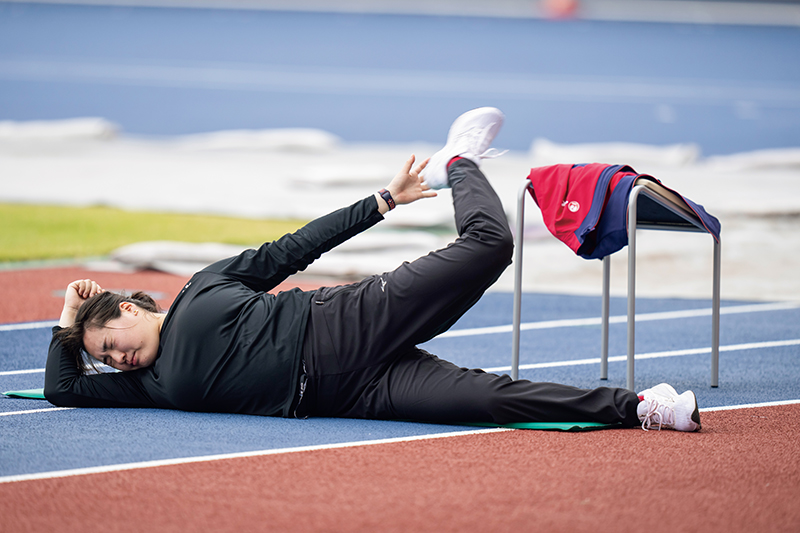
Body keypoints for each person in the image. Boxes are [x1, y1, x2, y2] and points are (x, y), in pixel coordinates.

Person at [45, 107, 701, 432]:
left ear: (128, 310)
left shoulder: (203, 287)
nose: (117, 359)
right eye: (104, 357)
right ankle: (643, 407)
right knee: (489, 399)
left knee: (489, 245)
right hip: (348, 396)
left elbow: (293, 249)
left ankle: (460, 163)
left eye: (110, 344)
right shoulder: (149, 385)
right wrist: (68, 323)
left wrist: (383, 201)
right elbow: (63, 390)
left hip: (342, 324)